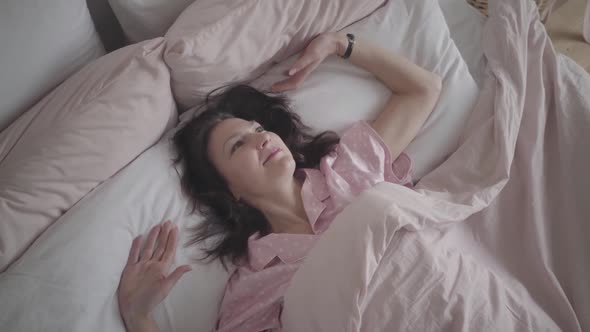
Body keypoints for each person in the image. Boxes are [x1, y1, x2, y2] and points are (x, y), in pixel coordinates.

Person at [117, 31, 442, 332]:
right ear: (229, 191)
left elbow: (422, 89)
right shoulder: (257, 281)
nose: (261, 139)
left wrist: (338, 44)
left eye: (257, 129)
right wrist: (139, 316)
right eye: (238, 145)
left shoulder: (347, 169)